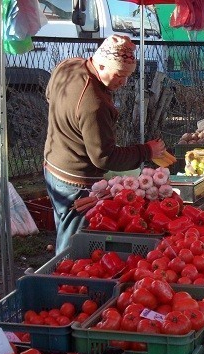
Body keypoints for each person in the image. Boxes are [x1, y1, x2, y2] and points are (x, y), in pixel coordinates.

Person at [44, 35, 167, 253]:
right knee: (74, 243)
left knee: (64, 225)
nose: (124, 82)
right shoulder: (94, 103)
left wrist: (71, 126)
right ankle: (62, 281)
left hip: (53, 166)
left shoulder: (68, 66)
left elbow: (49, 96)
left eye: (128, 76)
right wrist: (147, 150)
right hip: (76, 180)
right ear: (101, 64)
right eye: (119, 75)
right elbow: (104, 158)